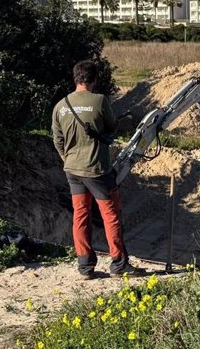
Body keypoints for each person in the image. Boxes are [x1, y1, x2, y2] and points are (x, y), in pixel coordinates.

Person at [52, 60, 139, 279]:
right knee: (111, 215)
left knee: (80, 215)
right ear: (95, 79)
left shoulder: (61, 105)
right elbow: (112, 128)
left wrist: (68, 158)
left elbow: (58, 139)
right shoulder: (99, 101)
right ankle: (119, 264)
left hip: (72, 170)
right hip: (98, 170)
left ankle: (85, 266)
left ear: (75, 78)